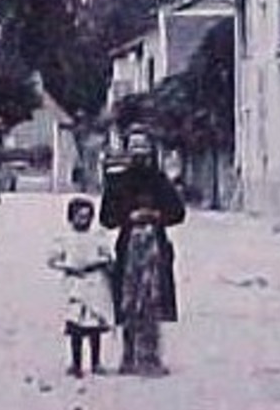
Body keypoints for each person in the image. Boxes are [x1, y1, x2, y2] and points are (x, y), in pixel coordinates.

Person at [100, 127, 185, 376]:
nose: (139, 153)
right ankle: (128, 355)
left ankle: (151, 356)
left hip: (155, 247)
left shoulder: (160, 180)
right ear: (127, 151)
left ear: (150, 150)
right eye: (134, 147)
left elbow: (178, 213)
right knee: (128, 302)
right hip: (128, 247)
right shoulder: (117, 182)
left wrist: (157, 216)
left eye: (143, 147)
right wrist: (128, 217)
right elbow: (106, 217)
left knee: (153, 299)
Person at [47, 196, 115, 377]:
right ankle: (76, 363)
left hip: (95, 282)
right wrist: (67, 266)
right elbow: (52, 260)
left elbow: (108, 256)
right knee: (75, 325)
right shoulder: (64, 238)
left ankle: (96, 362)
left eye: (87, 217)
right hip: (75, 284)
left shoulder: (98, 236)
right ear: (71, 217)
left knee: (94, 326)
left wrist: (99, 263)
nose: (83, 220)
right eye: (79, 216)